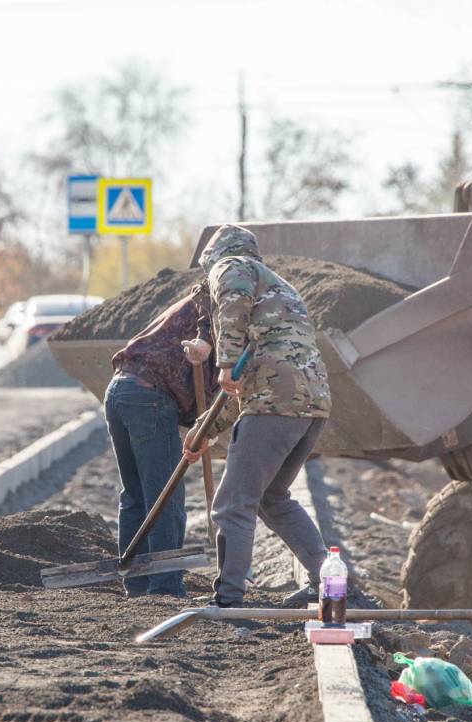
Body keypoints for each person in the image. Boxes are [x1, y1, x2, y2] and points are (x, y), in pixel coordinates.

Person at [182, 224, 331, 608]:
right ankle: (328, 584)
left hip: (275, 403)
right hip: (309, 405)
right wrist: (204, 431)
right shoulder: (278, 295)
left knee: (233, 503)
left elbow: (232, 303)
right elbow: (250, 385)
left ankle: (229, 598)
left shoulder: (232, 265)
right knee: (272, 498)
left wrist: (225, 361)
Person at [105, 285, 218, 597]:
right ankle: (165, 585)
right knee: (164, 496)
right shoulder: (216, 307)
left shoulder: (197, 302)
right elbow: (205, 350)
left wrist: (204, 428)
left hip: (120, 389)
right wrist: (205, 426)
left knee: (137, 496)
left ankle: (137, 584)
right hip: (148, 398)